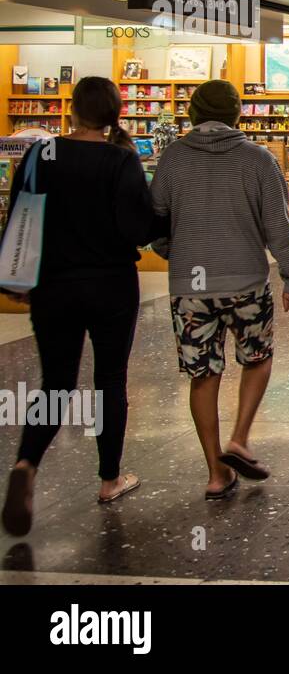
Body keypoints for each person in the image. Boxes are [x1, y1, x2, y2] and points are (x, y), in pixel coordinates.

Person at [1, 78, 158, 537]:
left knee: (56, 381)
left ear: (71, 110)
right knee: (110, 379)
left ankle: (27, 461)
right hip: (110, 285)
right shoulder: (120, 158)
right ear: (115, 111)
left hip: (53, 285)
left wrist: (20, 275)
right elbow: (138, 227)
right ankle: (110, 478)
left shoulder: (40, 154)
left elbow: (20, 215)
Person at [150, 79, 289, 500]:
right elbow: (277, 224)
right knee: (257, 357)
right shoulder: (257, 160)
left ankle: (217, 474)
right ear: (238, 113)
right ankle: (239, 437)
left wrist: (174, 251)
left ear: (193, 113)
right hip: (246, 282)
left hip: (190, 289)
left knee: (202, 375)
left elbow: (156, 221)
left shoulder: (173, 159)